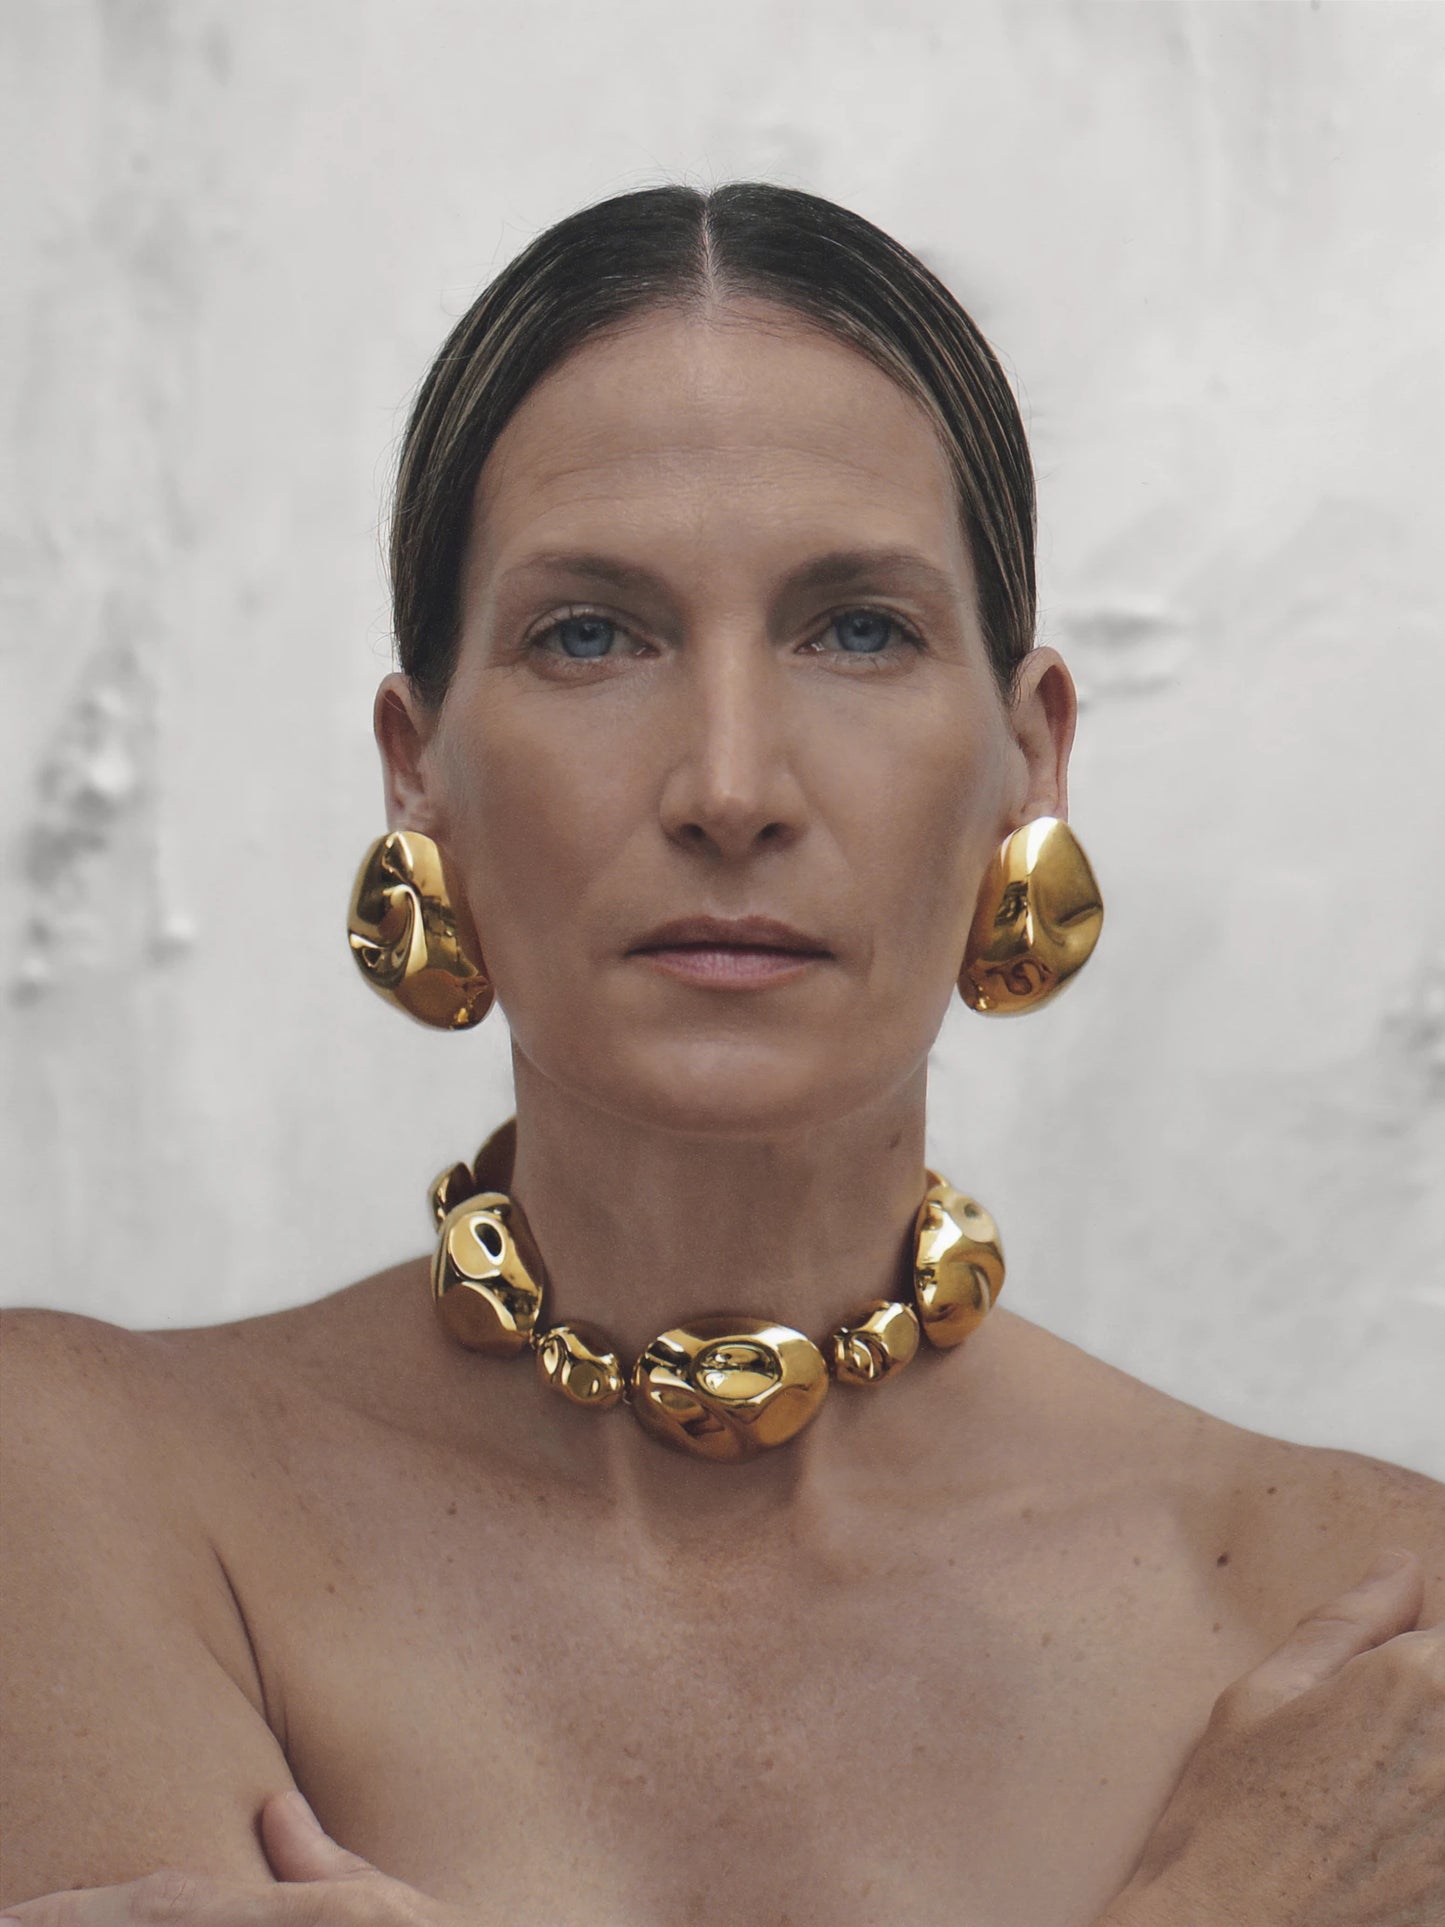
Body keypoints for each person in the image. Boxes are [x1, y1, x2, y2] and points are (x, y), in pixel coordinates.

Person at [1, 182, 1441, 1927]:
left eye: (858, 630)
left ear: (1029, 758)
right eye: (589, 635)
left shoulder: (1371, 1621)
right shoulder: (76, 1490)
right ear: (418, 767)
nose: (731, 787)